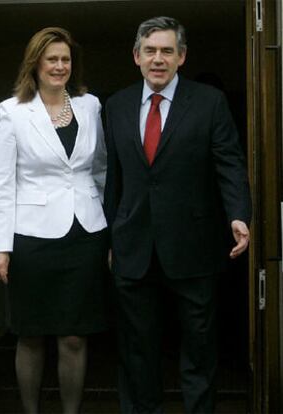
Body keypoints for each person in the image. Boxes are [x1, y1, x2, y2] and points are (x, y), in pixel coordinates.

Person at [104, 16, 251, 414]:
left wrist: (238, 214)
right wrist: (110, 239)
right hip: (134, 247)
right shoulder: (115, 106)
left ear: (181, 57)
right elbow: (111, 179)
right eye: (150, 51)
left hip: (194, 246)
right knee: (138, 350)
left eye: (167, 51)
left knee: (199, 347)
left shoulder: (209, 102)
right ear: (136, 56)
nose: (158, 59)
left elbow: (229, 164)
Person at [0, 27, 108, 414]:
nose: (59, 66)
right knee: (32, 334)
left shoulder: (90, 106)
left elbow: (100, 168)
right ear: (35, 64)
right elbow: (1, 184)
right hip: (33, 239)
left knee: (74, 337)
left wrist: (103, 221)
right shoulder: (13, 112)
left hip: (84, 234)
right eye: (52, 59)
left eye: (65, 59)